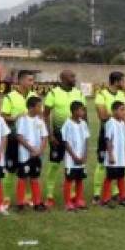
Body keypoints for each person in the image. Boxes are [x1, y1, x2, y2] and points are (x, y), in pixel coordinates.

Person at [43, 70, 86, 207]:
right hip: (58, 136)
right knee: (54, 165)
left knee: (75, 167)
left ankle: (74, 195)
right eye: (72, 76)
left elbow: (84, 115)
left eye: (74, 76)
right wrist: (50, 135)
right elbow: (46, 115)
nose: (75, 78)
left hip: (76, 139)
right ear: (63, 78)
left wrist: (86, 131)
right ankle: (49, 195)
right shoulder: (53, 93)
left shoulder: (78, 93)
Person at [1, 70, 40, 208]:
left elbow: (39, 115)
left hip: (30, 140)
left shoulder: (34, 96)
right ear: (21, 81)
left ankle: (28, 197)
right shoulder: (10, 97)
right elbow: (3, 116)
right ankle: (6, 198)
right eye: (29, 80)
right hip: (14, 137)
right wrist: (15, 117)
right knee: (11, 169)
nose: (32, 82)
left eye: (32, 80)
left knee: (29, 169)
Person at [93, 71, 125, 203]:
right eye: (123, 81)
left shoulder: (122, 95)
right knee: (102, 162)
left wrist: (115, 114)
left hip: (120, 131)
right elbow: (102, 115)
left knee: (118, 162)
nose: (124, 83)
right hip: (106, 132)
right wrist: (115, 114)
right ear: (117, 81)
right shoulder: (101, 94)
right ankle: (97, 193)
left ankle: (115, 192)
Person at [13, 96, 48, 212]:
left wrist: (40, 150)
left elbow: (44, 137)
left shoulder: (40, 120)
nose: (41, 108)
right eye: (39, 106)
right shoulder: (23, 120)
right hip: (25, 155)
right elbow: (19, 136)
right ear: (32, 107)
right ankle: (20, 203)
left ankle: (37, 202)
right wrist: (31, 149)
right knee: (22, 177)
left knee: (35, 177)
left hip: (37, 155)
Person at [99, 100, 125, 208]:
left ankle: (123, 197)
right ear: (114, 111)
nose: (124, 112)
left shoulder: (122, 123)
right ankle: (105, 199)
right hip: (113, 156)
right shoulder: (110, 123)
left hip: (121, 157)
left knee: (121, 177)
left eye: (124, 110)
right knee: (109, 177)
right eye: (121, 110)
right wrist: (111, 155)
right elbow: (108, 140)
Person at [61, 100, 90, 211]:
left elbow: (87, 139)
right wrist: (73, 156)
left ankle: (79, 200)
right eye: (81, 110)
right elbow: (66, 142)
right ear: (74, 111)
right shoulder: (67, 124)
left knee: (80, 179)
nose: (83, 112)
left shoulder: (83, 123)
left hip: (81, 158)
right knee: (69, 179)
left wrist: (85, 155)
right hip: (71, 159)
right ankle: (68, 202)